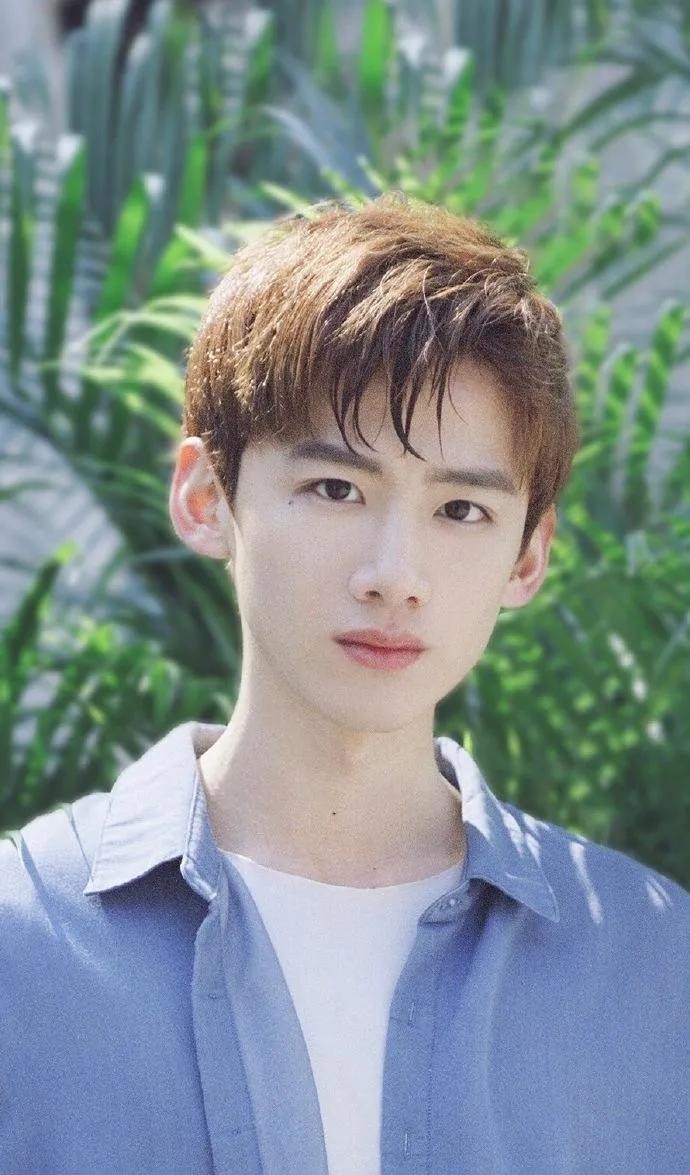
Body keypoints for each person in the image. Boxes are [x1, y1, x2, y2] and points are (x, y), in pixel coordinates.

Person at [2, 196, 688, 1175]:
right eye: (336, 488)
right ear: (206, 497)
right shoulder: (23, 940)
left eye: (461, 508)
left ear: (528, 556)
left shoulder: (651, 963)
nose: (394, 574)